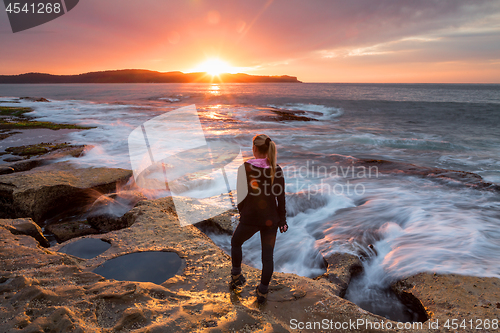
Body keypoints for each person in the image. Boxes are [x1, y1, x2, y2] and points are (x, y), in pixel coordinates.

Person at [230, 134, 288, 304]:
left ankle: (236, 276)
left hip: (251, 217)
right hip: (271, 218)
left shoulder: (245, 167)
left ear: (254, 148)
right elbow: (281, 197)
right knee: (268, 256)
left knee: (235, 242)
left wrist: (244, 213)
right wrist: (282, 220)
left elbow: (240, 196)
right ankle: (262, 291)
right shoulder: (276, 169)